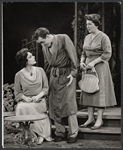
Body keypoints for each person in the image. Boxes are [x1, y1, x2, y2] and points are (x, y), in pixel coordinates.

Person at [32, 27, 79, 143]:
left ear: (48, 36)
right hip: (54, 76)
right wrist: (45, 79)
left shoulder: (63, 38)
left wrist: (73, 74)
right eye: (40, 43)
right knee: (54, 104)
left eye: (42, 42)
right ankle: (60, 132)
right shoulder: (45, 47)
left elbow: (73, 56)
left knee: (69, 103)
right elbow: (47, 64)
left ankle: (73, 133)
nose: (42, 45)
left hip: (67, 75)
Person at [79, 14, 117, 130]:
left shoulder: (103, 37)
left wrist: (94, 63)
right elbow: (84, 52)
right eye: (87, 24)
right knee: (88, 90)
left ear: (96, 24)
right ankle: (90, 118)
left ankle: (99, 120)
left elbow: (107, 54)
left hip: (99, 67)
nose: (88, 27)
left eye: (90, 24)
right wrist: (82, 62)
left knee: (99, 93)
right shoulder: (87, 37)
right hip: (88, 67)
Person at [14, 48, 53, 144]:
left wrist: (38, 96)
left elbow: (46, 88)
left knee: (32, 106)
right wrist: (26, 98)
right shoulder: (18, 75)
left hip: (40, 99)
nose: (34, 57)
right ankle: (27, 133)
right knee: (21, 106)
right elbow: (18, 93)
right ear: (25, 61)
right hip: (27, 100)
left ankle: (41, 134)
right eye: (30, 56)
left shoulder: (40, 71)